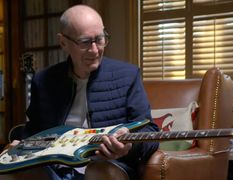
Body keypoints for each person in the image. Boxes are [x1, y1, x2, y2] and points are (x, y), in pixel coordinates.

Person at [19, 4, 159, 180]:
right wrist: (21, 145)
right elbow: (33, 131)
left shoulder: (128, 75)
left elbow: (150, 132)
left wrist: (130, 145)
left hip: (105, 166)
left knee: (98, 172)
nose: (94, 50)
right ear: (63, 43)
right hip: (54, 168)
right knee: (25, 171)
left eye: (100, 39)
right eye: (85, 42)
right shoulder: (43, 80)